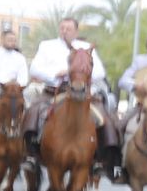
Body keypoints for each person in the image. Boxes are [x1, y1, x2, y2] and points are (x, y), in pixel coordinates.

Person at [23, 15, 120, 175]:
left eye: (68, 28)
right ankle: (31, 154)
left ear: (76, 31)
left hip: (81, 94)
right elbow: (35, 68)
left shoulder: (86, 47)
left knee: (104, 118)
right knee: (33, 112)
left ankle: (102, 159)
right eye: (62, 28)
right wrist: (56, 74)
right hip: (54, 92)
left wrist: (78, 75)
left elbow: (100, 72)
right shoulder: (47, 46)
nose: (64, 31)